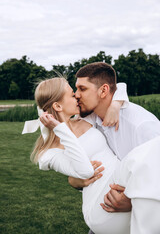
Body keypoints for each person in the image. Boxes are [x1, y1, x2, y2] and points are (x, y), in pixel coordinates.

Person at [22, 77, 160, 234]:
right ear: (58, 106)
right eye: (72, 95)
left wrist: (115, 105)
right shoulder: (47, 153)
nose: (77, 96)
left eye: (78, 91)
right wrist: (60, 128)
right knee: (142, 156)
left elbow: (117, 86)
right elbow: (86, 171)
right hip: (103, 205)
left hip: (119, 181)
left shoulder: (85, 119)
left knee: (146, 163)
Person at [66, 62, 160, 233]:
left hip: (134, 222)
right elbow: (73, 174)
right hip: (101, 219)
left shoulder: (142, 126)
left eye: (82, 89)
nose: (76, 95)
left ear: (103, 91)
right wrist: (77, 181)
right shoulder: (91, 120)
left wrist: (132, 201)